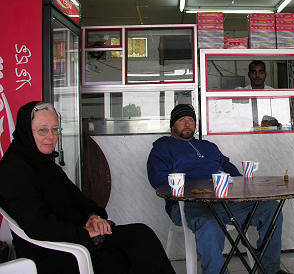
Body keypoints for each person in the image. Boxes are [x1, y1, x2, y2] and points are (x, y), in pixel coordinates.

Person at [0, 101, 175, 274]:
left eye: (55, 129)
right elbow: (37, 224)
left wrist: (93, 217)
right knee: (118, 258)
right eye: (42, 130)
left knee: (141, 234)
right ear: (26, 132)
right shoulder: (14, 169)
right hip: (54, 250)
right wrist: (84, 233)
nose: (51, 136)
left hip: (77, 236)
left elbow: (81, 200)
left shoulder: (45, 164)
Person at [147, 104, 287, 274]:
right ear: (172, 125)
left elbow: (228, 167)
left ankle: (270, 270)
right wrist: (195, 186)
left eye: (191, 120)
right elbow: (157, 180)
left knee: (270, 208)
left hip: (224, 201)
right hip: (189, 204)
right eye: (181, 120)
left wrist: (241, 185)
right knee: (209, 222)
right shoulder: (162, 148)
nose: (187, 123)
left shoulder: (208, 146)